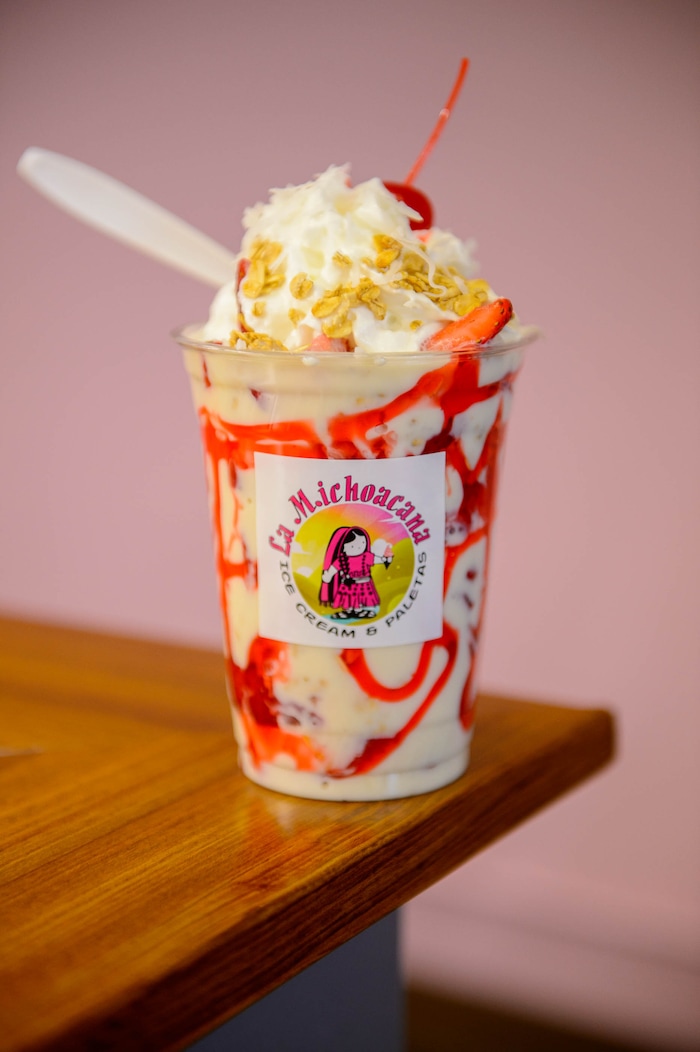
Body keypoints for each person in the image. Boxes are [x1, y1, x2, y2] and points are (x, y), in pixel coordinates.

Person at [319, 526, 392, 619]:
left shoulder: (366, 556)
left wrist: (385, 559)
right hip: (348, 584)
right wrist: (328, 576)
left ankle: (359, 610)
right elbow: (333, 569)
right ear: (343, 547)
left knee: (360, 598)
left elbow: (377, 559)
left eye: (362, 543)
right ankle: (349, 611)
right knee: (348, 599)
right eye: (353, 546)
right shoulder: (341, 560)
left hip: (363, 584)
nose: (359, 547)